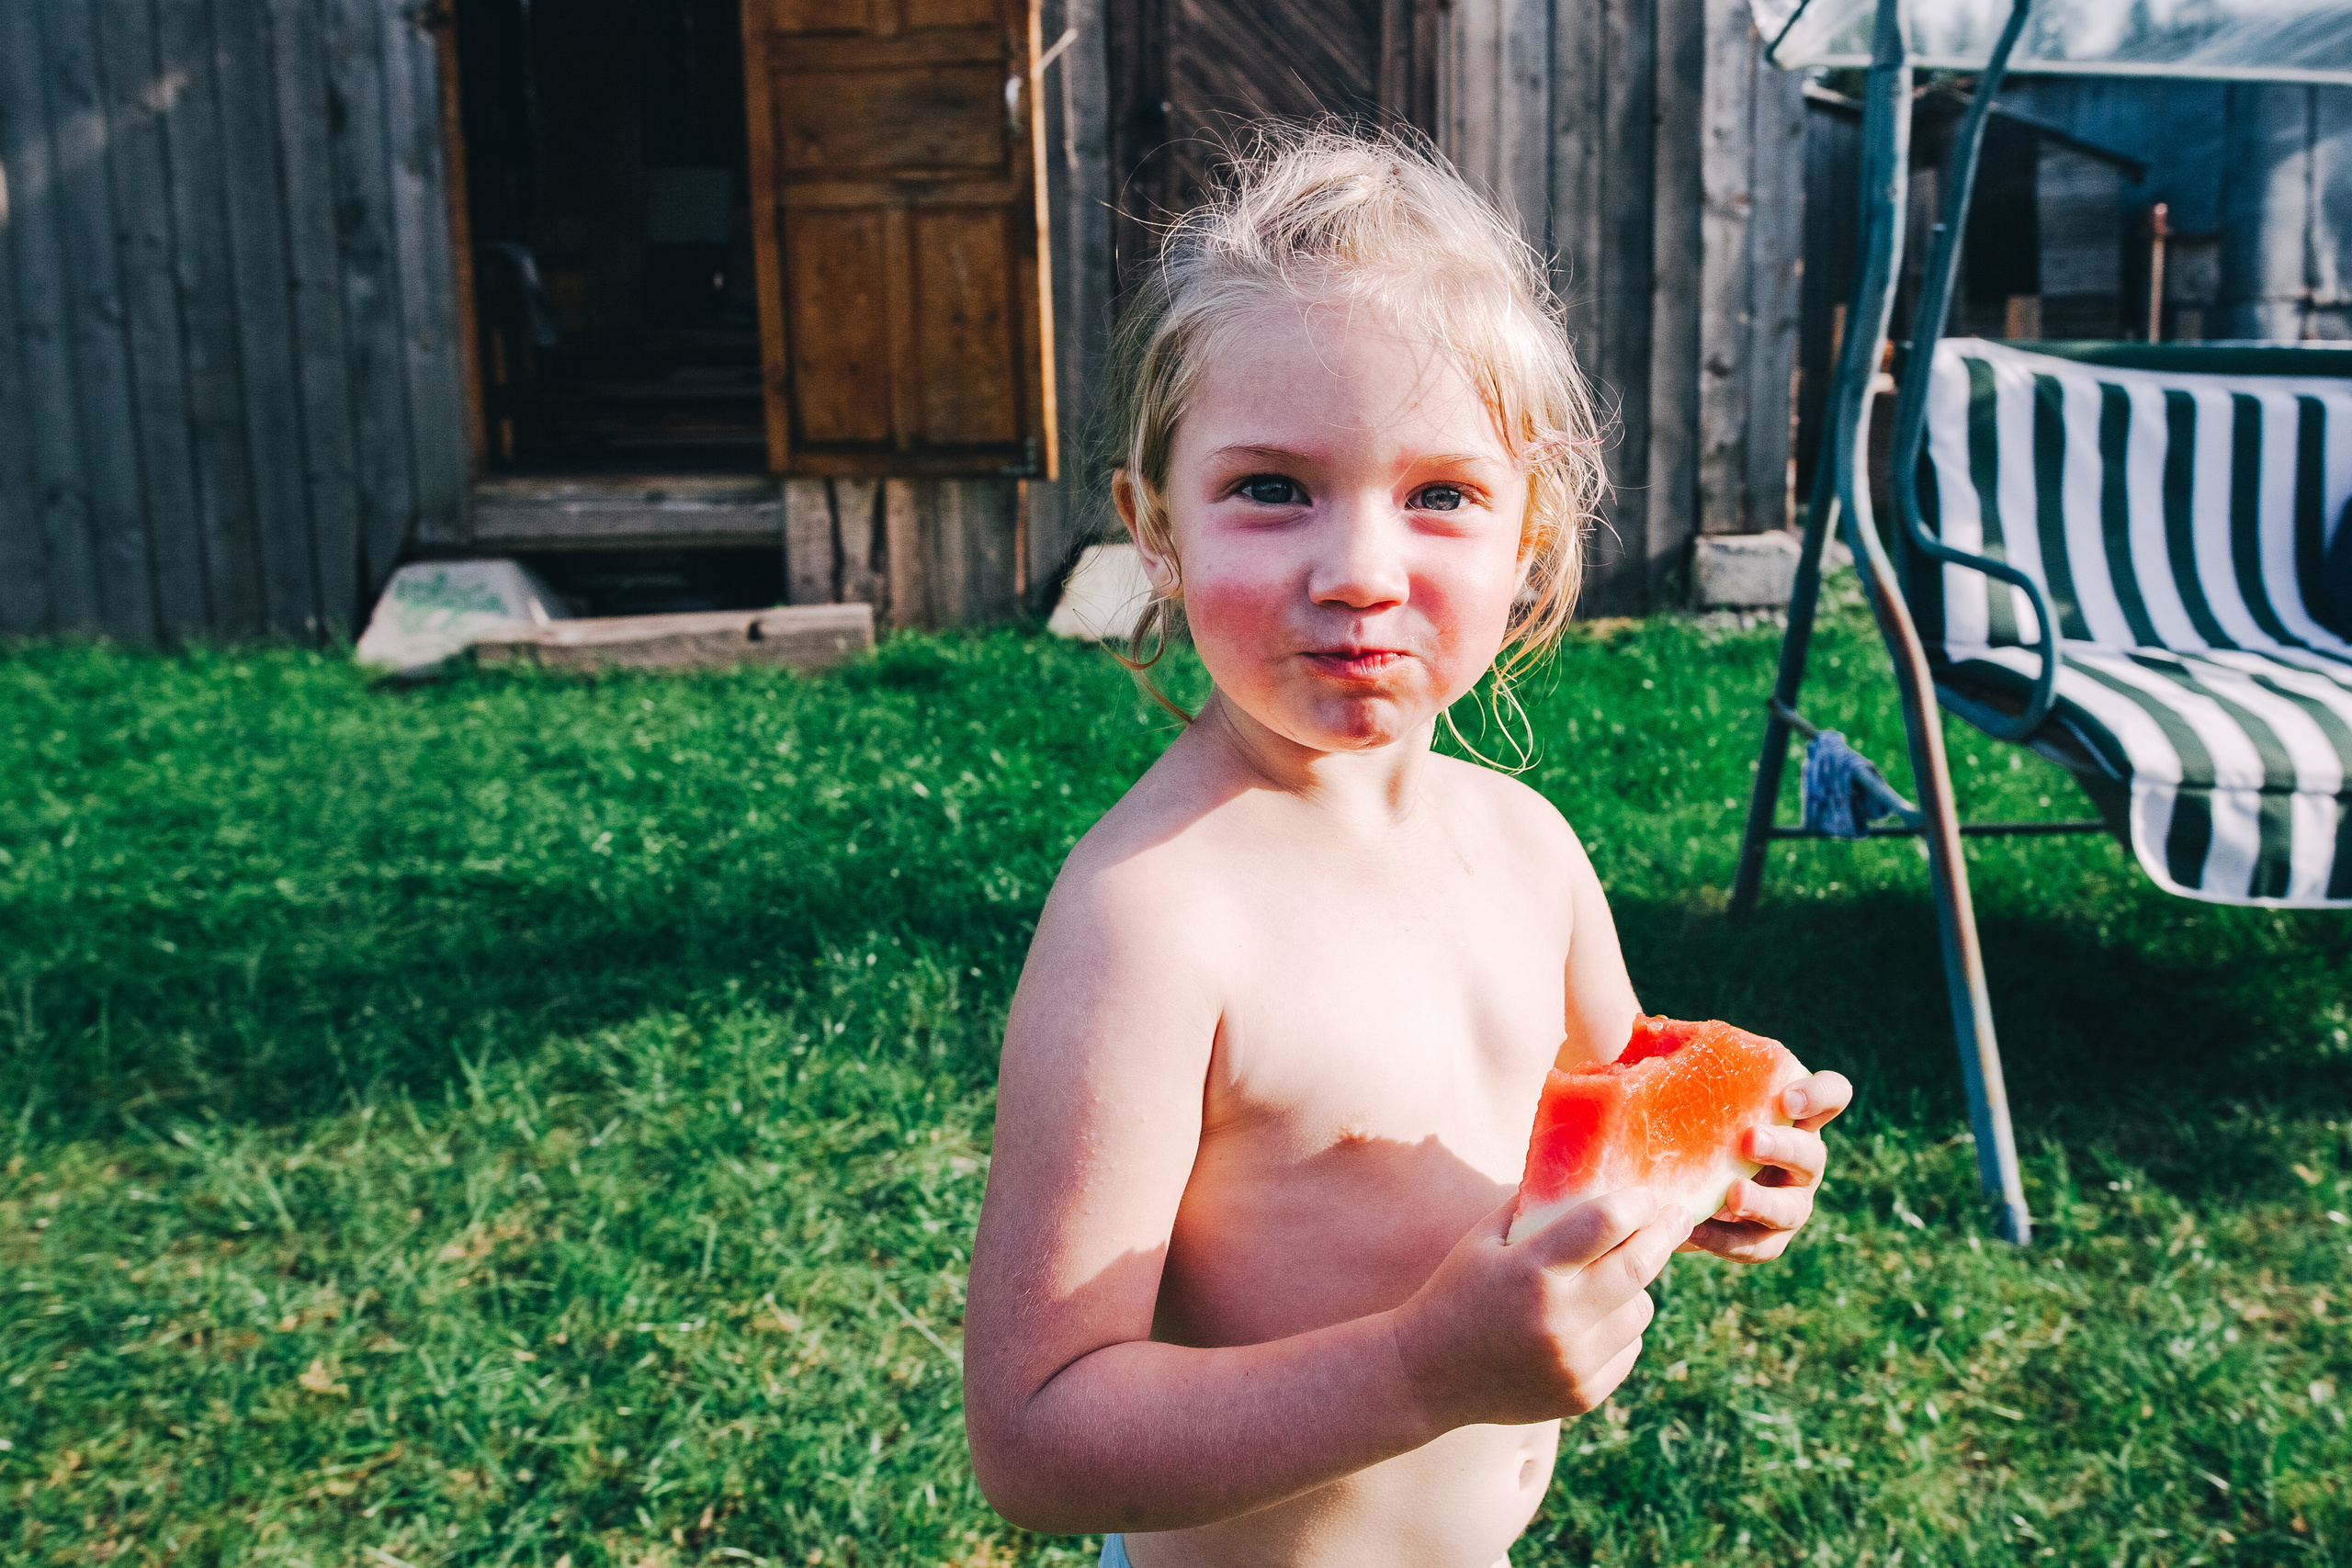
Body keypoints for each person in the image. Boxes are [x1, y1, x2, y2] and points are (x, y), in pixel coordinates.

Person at [962, 126, 1852, 1568]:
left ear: (1532, 538)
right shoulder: (1156, 919)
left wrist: (1723, 1171)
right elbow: (1035, 1435)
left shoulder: (1531, 848)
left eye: (1440, 495)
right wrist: (1417, 1373)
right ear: (1157, 530)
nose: (1361, 570)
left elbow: (1617, 1127)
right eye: (1271, 488)